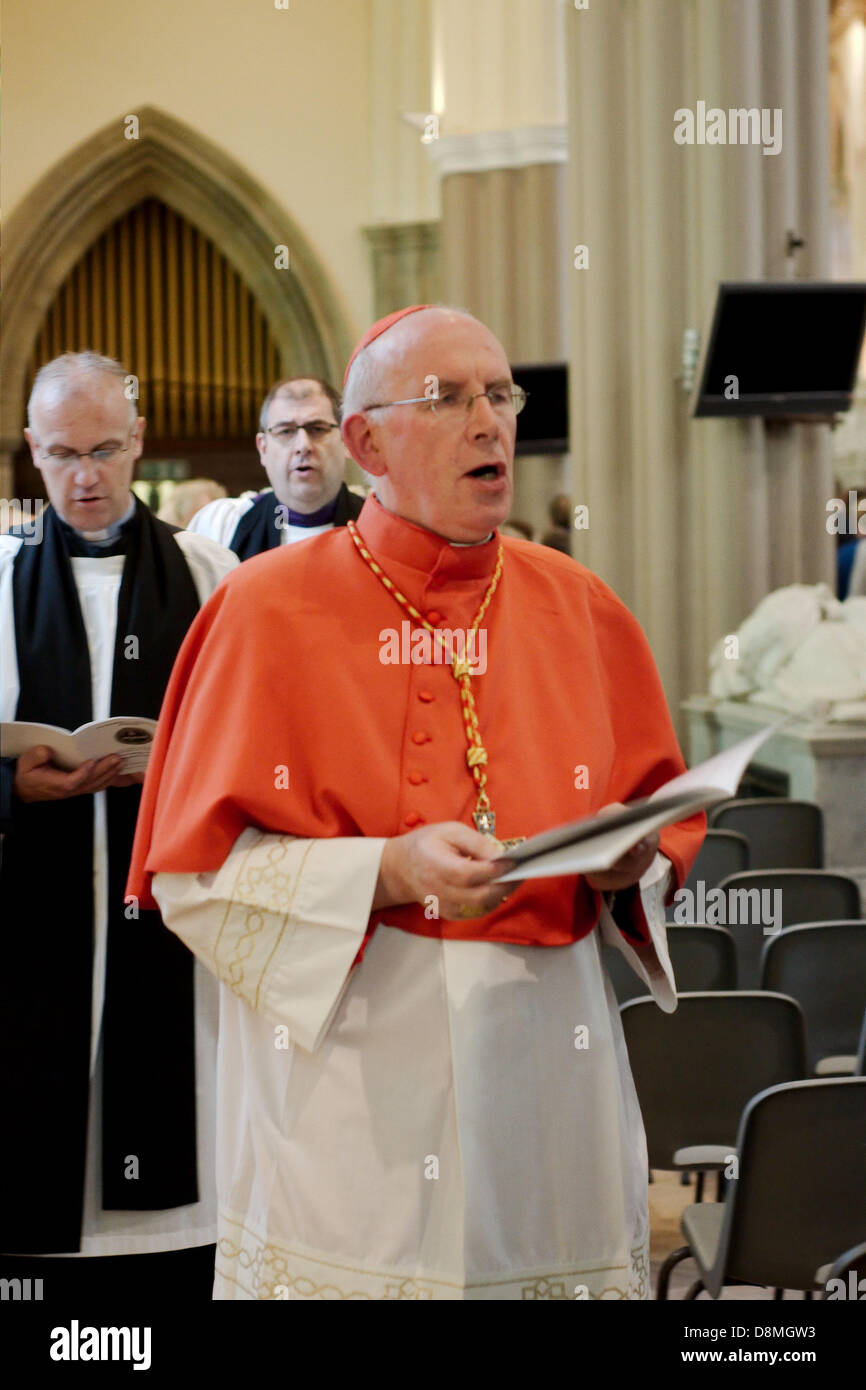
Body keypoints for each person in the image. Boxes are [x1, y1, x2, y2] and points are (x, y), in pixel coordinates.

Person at [128, 305, 704, 1301]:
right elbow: (191, 877)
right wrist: (386, 868)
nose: (488, 422)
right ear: (365, 442)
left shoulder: (580, 605)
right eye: (447, 398)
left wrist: (631, 864)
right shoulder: (262, 611)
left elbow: (656, 821)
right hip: (348, 1078)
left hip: (544, 1066)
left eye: (498, 394)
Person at [0, 352, 237, 1300]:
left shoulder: (209, 573)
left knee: (171, 1167)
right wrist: (14, 789)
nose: (85, 477)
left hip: (167, 913)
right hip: (32, 903)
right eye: (61, 455)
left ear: (139, 441)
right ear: (32, 451)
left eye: (104, 450)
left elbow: (254, 741)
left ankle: (166, 1262)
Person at [187, 376, 364, 558]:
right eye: (285, 431)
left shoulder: (376, 522)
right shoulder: (222, 526)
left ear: (346, 441)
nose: (302, 446)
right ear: (263, 448)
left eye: (317, 429)